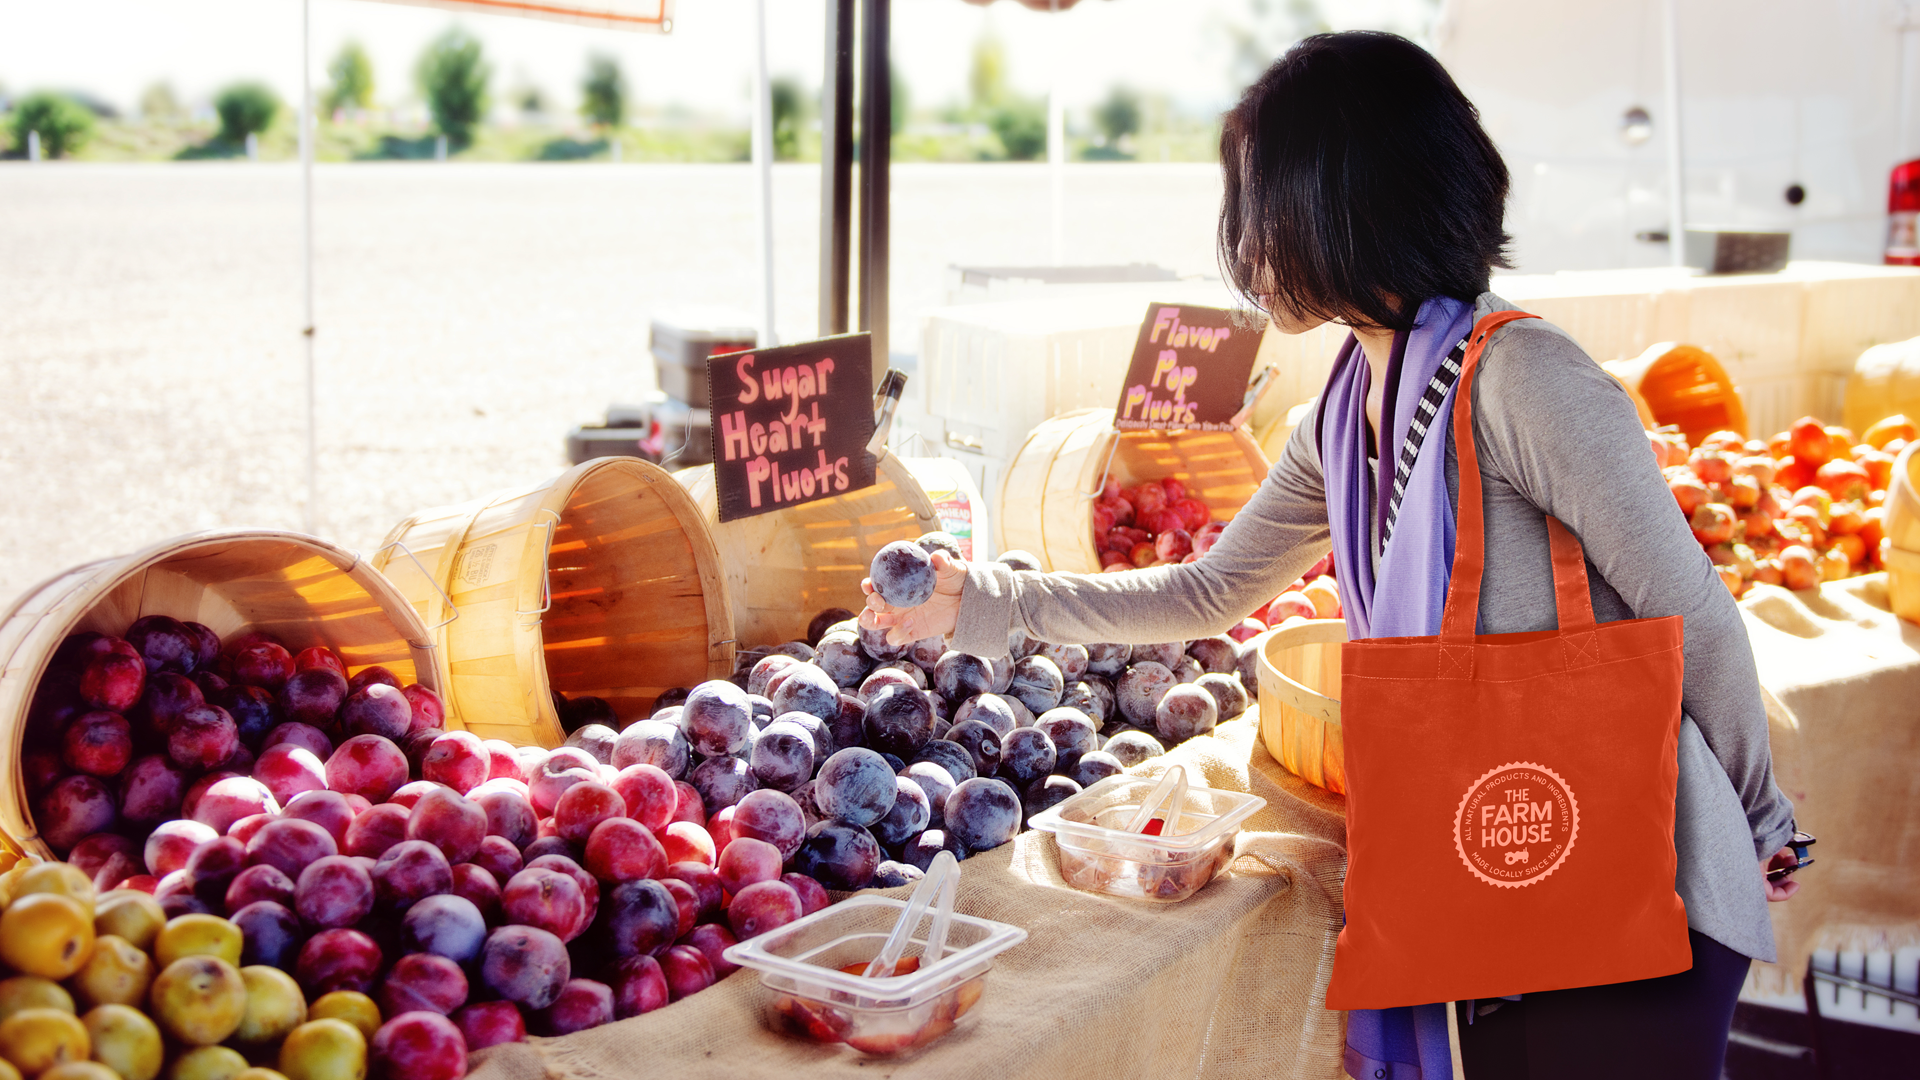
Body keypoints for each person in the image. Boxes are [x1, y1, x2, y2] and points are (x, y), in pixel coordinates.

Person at [860, 30, 1802, 1080]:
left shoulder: (1526, 380)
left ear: (1340, 212)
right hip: (1502, 864)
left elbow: (1696, 615)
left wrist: (1762, 815)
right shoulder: (1342, 412)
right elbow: (1210, 590)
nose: (1249, 253)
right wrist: (984, 599)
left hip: (1637, 879)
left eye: (1260, 215)